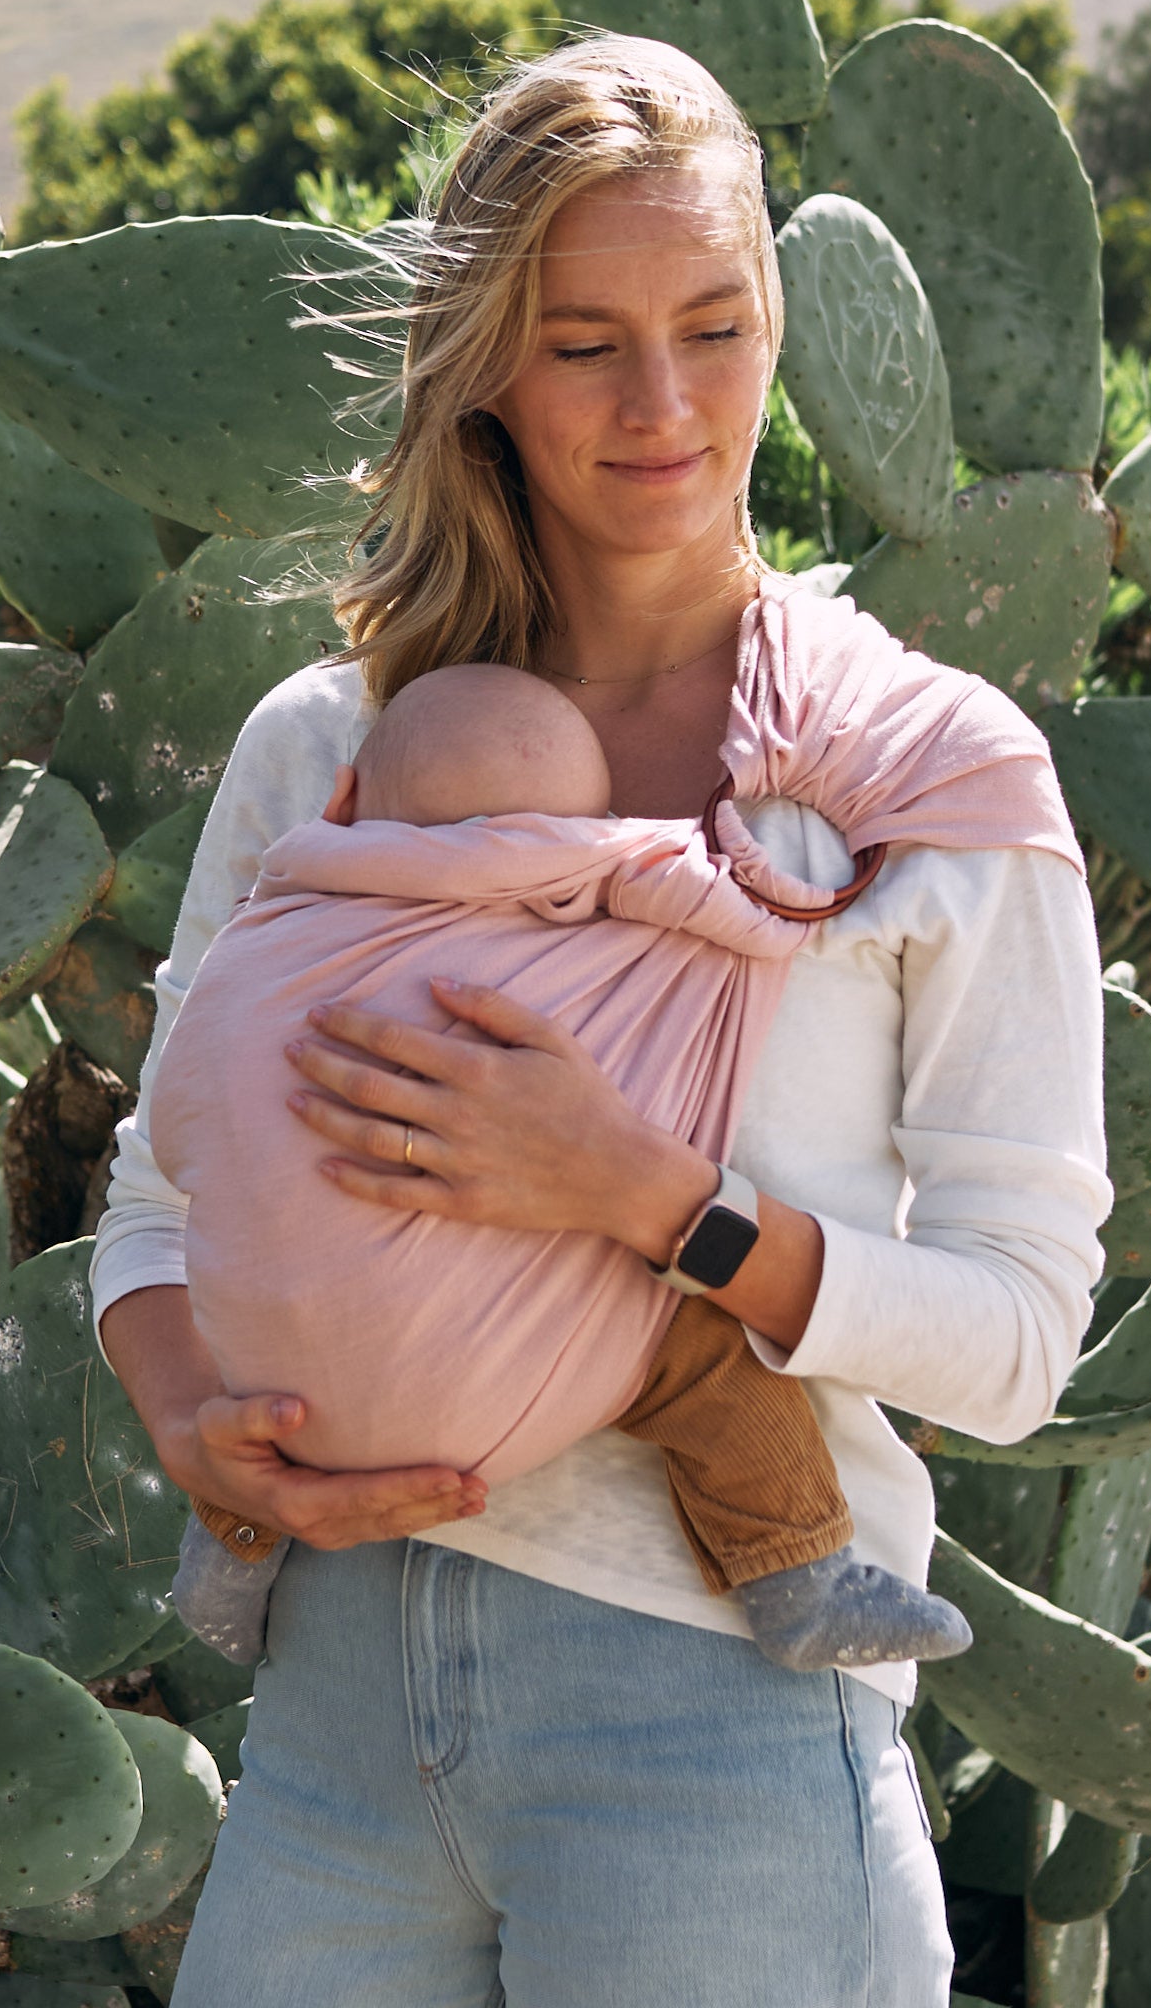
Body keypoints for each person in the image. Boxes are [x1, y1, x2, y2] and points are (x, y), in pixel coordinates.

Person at [93, 36, 1110, 2008]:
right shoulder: (337, 749)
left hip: (717, 1714)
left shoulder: (920, 788)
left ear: (777, 326)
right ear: (487, 364)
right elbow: (152, 1200)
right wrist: (190, 1413)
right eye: (582, 344)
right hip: (341, 1711)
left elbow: (1017, 1333)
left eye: (713, 327)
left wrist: (658, 1205)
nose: (663, 406)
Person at [157, 634, 1069, 1674]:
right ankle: (797, 1575)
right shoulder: (604, 884)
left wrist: (641, 1186)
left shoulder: (285, 917)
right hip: (346, 1672)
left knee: (267, 1294)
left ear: (351, 794)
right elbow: (743, 914)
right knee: (698, 1354)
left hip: (330, 1410)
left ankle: (227, 1550)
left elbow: (174, 1150)